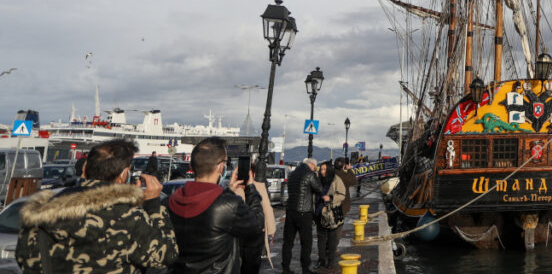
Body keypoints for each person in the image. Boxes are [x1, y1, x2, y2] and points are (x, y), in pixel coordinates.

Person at [16, 138, 178, 273]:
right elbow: (166, 257)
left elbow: (23, 258)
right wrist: (153, 206)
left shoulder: (41, 211)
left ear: (84, 169)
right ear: (123, 175)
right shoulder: (127, 217)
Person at [166, 138, 265, 274]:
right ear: (220, 167)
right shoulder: (229, 205)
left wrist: (228, 192)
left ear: (191, 166)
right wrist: (250, 188)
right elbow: (257, 225)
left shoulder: (170, 201)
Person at [315, 158, 358, 272]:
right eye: (321, 169)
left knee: (332, 236)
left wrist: (331, 198)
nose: (322, 171)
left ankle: (330, 260)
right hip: (321, 212)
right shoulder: (319, 180)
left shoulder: (336, 179)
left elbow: (341, 194)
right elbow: (353, 181)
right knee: (323, 237)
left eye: (324, 169)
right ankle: (322, 259)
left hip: (333, 211)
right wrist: (350, 170)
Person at [281, 158, 322, 274]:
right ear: (312, 164)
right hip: (304, 212)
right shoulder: (309, 174)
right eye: (315, 167)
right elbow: (319, 189)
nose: (315, 168)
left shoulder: (292, 174)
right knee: (306, 242)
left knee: (288, 242)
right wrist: (317, 177)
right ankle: (305, 269)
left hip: (290, 211)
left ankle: (285, 268)